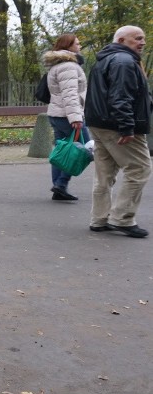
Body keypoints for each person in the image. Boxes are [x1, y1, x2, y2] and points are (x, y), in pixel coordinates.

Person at [84, 25, 150, 238]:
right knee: (139, 168)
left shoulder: (105, 59)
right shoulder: (124, 61)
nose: (142, 42)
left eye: (144, 39)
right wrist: (127, 127)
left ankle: (99, 218)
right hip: (116, 125)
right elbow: (120, 96)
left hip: (99, 122)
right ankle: (122, 218)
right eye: (137, 38)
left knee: (104, 172)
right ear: (121, 40)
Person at [44, 33, 90, 201]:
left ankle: (58, 187)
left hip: (58, 114)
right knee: (86, 148)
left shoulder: (57, 65)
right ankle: (61, 184)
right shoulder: (69, 66)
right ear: (68, 46)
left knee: (61, 150)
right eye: (77, 44)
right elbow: (70, 95)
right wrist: (76, 118)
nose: (80, 47)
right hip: (67, 116)